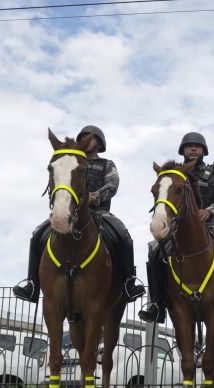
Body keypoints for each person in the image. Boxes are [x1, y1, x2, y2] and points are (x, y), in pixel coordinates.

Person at [12, 125, 145, 303]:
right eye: (83, 137)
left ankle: (129, 281)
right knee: (37, 234)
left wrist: (95, 196)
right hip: (70, 210)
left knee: (124, 235)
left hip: (100, 212)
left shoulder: (107, 164)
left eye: (91, 138)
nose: (86, 140)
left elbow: (113, 185)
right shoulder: (70, 159)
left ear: (99, 143)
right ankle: (32, 284)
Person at [139, 132, 214, 322]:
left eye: (197, 146)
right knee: (154, 250)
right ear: (183, 150)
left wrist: (209, 211)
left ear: (203, 150)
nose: (193, 148)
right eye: (189, 146)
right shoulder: (173, 174)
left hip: (209, 225)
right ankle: (156, 303)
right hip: (178, 229)